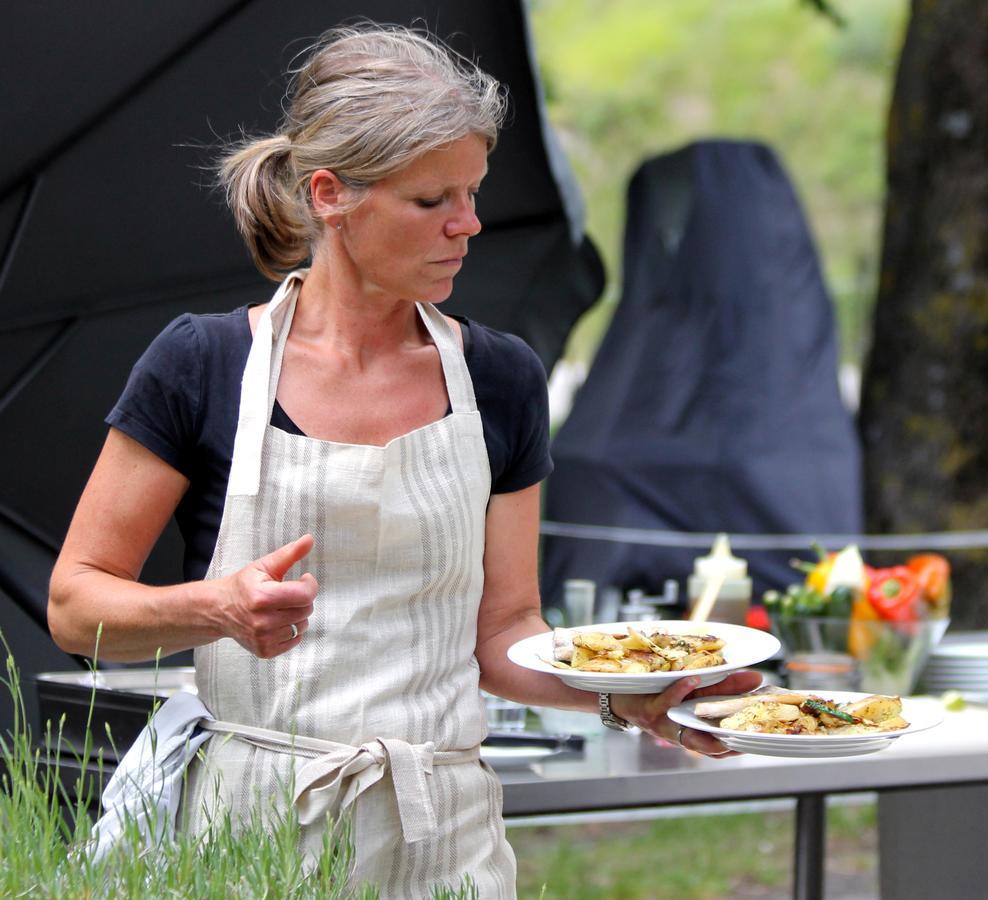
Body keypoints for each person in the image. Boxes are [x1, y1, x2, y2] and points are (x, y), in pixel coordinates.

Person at [47, 24, 760, 898]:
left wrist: (628, 695)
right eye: (433, 201)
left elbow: (502, 635)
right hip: (249, 838)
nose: (470, 224)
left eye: (472, 192)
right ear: (331, 195)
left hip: (444, 837)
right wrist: (218, 609)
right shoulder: (201, 365)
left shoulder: (498, 378)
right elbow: (78, 607)